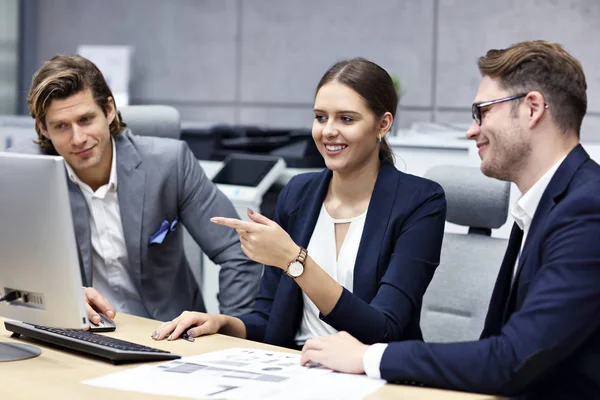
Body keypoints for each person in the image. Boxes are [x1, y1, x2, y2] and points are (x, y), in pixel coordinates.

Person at [300, 41, 600, 399]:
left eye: (482, 112)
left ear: (532, 108)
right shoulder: (546, 203)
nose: (472, 130)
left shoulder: (587, 209)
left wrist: (368, 356)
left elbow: (513, 358)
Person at [152, 58, 447, 347]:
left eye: (346, 118)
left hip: (368, 373)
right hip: (294, 365)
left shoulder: (420, 202)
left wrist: (294, 261)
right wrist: (223, 323)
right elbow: (269, 320)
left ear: (383, 124)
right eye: (320, 117)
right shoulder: (298, 193)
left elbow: (384, 330)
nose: (328, 130)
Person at [11, 54, 262, 325]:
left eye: (85, 119)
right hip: (80, 331)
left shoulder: (170, 163)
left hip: (170, 333)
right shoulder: (24, 172)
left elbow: (238, 249)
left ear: (108, 111)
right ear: (43, 129)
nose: (78, 138)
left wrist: (232, 331)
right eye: (61, 126)